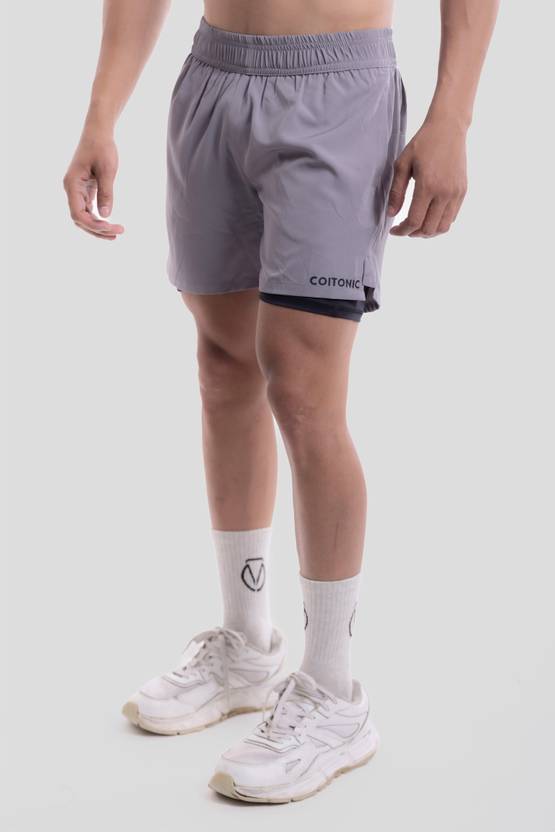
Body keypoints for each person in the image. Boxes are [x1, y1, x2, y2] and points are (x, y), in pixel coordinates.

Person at [63, 0, 499, 804]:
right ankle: (246, 645)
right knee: (223, 365)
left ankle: (333, 692)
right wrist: (100, 115)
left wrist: (452, 117)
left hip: (338, 90)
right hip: (213, 80)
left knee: (302, 390)